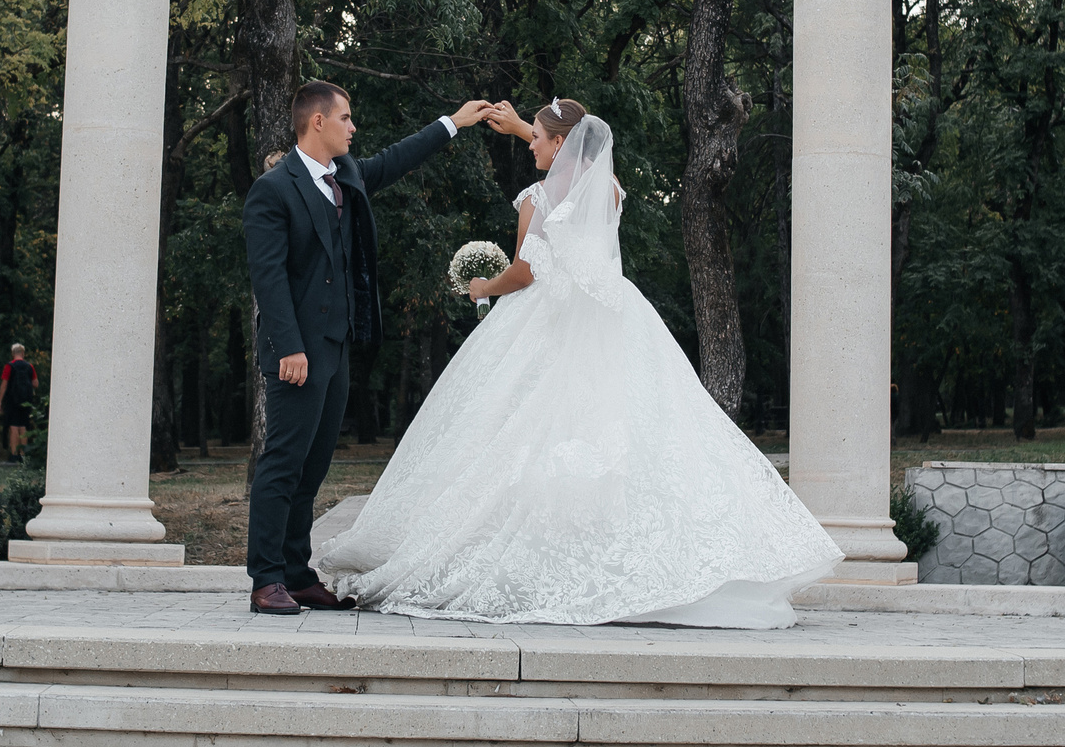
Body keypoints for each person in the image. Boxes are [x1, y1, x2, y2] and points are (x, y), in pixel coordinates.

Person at [318, 100, 841, 629]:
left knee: (513, 430)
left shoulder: (539, 198)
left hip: (549, 320)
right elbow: (577, 161)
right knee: (636, 432)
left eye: (538, 140)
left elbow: (524, 273)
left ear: (561, 145)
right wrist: (531, 127)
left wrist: (482, 286)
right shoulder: (607, 190)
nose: (530, 146)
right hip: (613, 318)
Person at [242, 82, 496, 616]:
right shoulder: (274, 189)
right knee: (283, 463)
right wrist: (289, 346)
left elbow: (395, 160)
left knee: (312, 468)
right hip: (296, 353)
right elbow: (268, 279)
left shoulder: (347, 176)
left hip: (336, 346)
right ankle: (265, 579)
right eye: (346, 117)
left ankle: (295, 571)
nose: (353, 127)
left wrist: (452, 122)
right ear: (317, 123)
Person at [0, 343, 38, 463]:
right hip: (26, 401)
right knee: (23, 426)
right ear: (23, 353)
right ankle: (23, 454)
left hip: (12, 401)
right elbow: (36, 383)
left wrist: (0, 401)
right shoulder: (30, 366)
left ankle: (14, 455)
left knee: (13, 426)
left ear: (13, 353)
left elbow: (4, 384)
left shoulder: (9, 366)